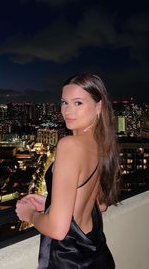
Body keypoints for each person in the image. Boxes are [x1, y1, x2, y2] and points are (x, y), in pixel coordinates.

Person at [16, 73, 120, 268]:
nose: (67, 111)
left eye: (78, 103)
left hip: (70, 260)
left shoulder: (70, 145)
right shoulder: (103, 143)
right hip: (96, 254)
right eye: (64, 102)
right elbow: (101, 204)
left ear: (99, 106)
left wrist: (29, 214)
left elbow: (57, 230)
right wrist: (51, 203)